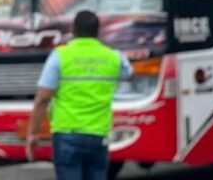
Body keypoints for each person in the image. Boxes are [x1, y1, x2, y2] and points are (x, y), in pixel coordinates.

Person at [26, 10, 134, 180]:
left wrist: (33, 134)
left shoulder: (60, 56)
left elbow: (43, 97)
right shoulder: (113, 57)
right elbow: (128, 73)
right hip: (99, 134)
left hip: (67, 134)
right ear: (97, 31)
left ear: (73, 30)